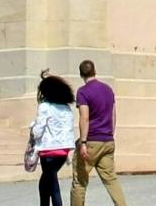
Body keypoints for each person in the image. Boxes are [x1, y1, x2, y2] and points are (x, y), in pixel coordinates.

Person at [72, 59, 127, 206]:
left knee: (79, 181)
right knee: (111, 179)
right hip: (108, 140)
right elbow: (114, 114)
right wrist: (110, 134)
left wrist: (83, 142)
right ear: (94, 71)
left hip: (91, 141)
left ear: (81, 74)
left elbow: (84, 117)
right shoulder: (108, 89)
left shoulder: (83, 92)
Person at [30, 73, 78, 206]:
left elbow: (38, 130)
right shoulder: (66, 108)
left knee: (53, 185)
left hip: (48, 151)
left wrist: (33, 130)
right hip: (63, 151)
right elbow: (68, 128)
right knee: (45, 182)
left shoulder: (45, 107)